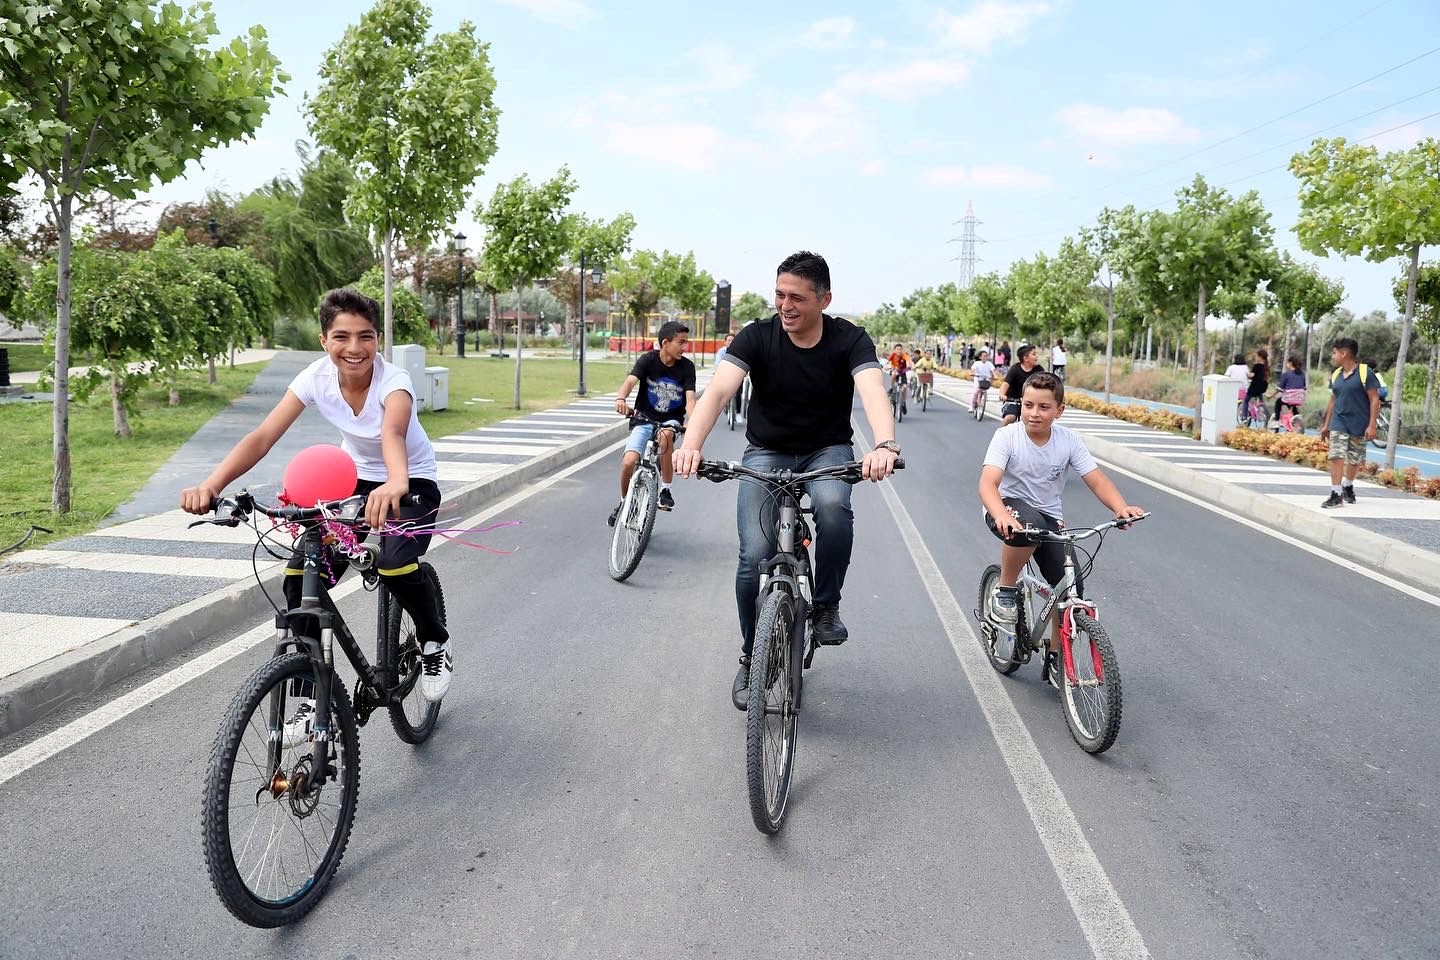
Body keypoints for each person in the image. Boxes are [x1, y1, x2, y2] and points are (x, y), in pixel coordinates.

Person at [180, 288, 453, 708]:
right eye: (341, 336)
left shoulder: (395, 382)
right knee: (300, 577)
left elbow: (392, 432)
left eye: (366, 336)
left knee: (396, 564)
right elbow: (263, 436)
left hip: (411, 482)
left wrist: (396, 481)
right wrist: (211, 485)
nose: (355, 348)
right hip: (351, 486)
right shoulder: (314, 378)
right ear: (324, 340)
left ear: (378, 339)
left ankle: (435, 642)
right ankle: (310, 695)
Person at [672, 250, 900, 710]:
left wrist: (884, 445)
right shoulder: (758, 336)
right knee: (752, 556)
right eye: (779, 294)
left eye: (796, 297)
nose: (785, 305)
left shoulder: (849, 339)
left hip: (826, 451)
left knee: (834, 509)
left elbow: (873, 389)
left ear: (824, 299)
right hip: (767, 452)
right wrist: (690, 444)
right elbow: (718, 391)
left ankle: (825, 606)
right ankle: (751, 656)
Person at [978, 372, 1145, 681]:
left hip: (1050, 519)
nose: (1033, 413)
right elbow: (988, 484)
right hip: (1007, 508)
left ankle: (1057, 657)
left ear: (1059, 410)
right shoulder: (1007, 436)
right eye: (1028, 405)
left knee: (1070, 591)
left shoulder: (1068, 441)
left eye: (1043, 407)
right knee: (1028, 526)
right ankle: (1006, 589)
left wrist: (1121, 508)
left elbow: (1096, 479)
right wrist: (1001, 514)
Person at [610, 320, 696, 524]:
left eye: (686, 342)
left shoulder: (687, 367)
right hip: (643, 419)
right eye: (681, 342)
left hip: (671, 420)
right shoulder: (648, 360)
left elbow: (691, 400)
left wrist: (693, 424)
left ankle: (666, 490)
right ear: (665, 343)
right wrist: (621, 399)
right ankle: (625, 503)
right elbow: (630, 381)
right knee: (629, 461)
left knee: (666, 436)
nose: (685, 347)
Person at [1319, 338, 1381, 508]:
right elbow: (1333, 400)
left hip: (1359, 423)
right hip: (1339, 421)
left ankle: (1348, 486)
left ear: (1344, 353)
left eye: (1334, 352)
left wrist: (1372, 425)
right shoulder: (1336, 374)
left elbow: (1375, 400)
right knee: (1336, 455)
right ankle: (1336, 493)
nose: (1333, 356)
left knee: (1354, 460)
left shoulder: (1364, 372)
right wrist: (1326, 424)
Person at [997, 343, 1045, 425]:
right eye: (1034, 354)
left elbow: (1045, 385)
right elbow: (1005, 384)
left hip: (1031, 401)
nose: (1037, 356)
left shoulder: (1039, 370)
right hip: (1013, 400)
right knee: (1010, 417)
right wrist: (1002, 394)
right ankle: (1001, 435)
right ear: (1025, 358)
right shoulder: (1015, 369)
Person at [1274, 354, 1307, 424]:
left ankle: (1276, 421)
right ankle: (1297, 419)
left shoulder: (1286, 374)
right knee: (1293, 404)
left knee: (1278, 402)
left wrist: (1271, 395)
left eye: (1287, 362)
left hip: (1289, 398)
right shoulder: (1302, 374)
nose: (1286, 364)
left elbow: (1280, 388)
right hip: (1299, 399)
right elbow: (1304, 387)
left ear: (1291, 363)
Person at [1244, 348, 1269, 424]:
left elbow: (1252, 375)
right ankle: (1263, 412)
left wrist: (1247, 374)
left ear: (1260, 357)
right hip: (1263, 387)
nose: (1256, 357)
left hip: (1255, 386)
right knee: (1260, 400)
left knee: (1246, 400)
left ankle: (1244, 418)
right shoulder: (1266, 367)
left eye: (1257, 356)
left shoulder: (1257, 366)